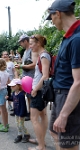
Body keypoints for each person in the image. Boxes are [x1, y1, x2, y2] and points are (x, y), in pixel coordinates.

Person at [46, 1, 80, 150]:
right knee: (54, 132)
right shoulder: (70, 36)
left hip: (69, 96)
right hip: (60, 95)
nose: (52, 22)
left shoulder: (77, 39)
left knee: (69, 144)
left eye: (51, 17)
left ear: (58, 14)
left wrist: (64, 115)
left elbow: (79, 82)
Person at [28, 34, 51, 150]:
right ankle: (41, 140)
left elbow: (45, 76)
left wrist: (35, 89)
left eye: (32, 43)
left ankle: (41, 145)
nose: (30, 46)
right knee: (43, 115)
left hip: (39, 91)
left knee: (34, 118)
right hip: (41, 90)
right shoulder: (42, 55)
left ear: (38, 43)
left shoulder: (43, 56)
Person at [15, 34, 38, 121]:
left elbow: (34, 64)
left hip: (31, 77)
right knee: (23, 95)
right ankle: (24, 111)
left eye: (21, 42)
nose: (20, 44)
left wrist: (21, 67)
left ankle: (31, 113)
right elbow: (25, 64)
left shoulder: (32, 51)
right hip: (25, 76)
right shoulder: (25, 51)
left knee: (29, 96)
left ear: (25, 41)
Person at [8, 79, 30, 143]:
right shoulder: (14, 93)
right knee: (17, 124)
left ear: (18, 86)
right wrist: (8, 98)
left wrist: (21, 114)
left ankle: (27, 134)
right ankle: (19, 135)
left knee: (21, 125)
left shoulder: (21, 95)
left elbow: (23, 106)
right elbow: (13, 99)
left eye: (13, 86)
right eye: (11, 86)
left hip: (21, 113)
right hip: (16, 112)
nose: (11, 87)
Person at [0, 58, 10, 132]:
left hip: (0, 91)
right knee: (5, 109)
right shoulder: (6, 73)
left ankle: (4, 126)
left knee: (2, 109)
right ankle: (6, 123)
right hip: (5, 90)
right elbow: (9, 82)